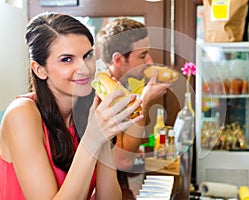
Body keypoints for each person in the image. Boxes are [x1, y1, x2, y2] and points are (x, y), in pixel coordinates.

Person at [0, 12, 144, 200]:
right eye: (67, 59)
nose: (84, 69)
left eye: (87, 55)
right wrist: (92, 138)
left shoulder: (90, 111)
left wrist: (103, 137)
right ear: (39, 69)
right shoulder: (21, 114)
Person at [96, 18, 172, 199]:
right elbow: (124, 160)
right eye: (142, 55)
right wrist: (145, 101)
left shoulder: (123, 86)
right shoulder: (100, 92)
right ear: (118, 59)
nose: (150, 61)